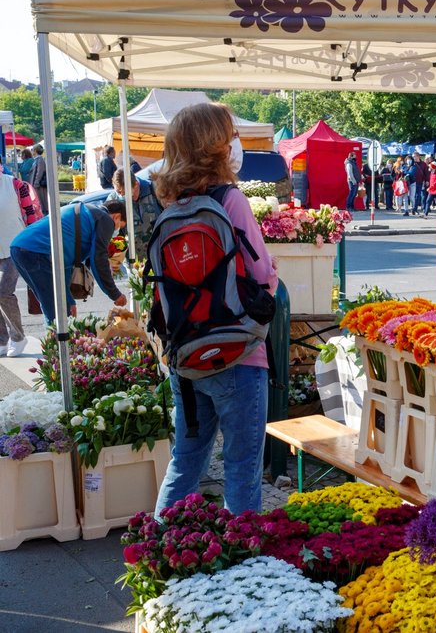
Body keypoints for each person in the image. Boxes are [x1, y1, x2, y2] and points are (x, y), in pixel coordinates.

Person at [152, 102, 278, 515]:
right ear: (216, 145)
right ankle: (242, 567)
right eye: (230, 135)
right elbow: (262, 279)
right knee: (242, 467)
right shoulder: (231, 200)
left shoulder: (172, 206)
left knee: (187, 460)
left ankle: (156, 551)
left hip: (186, 354)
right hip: (238, 353)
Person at [10, 200, 128, 323]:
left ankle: (56, 338)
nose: (116, 231)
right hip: (36, 251)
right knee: (57, 310)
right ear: (117, 216)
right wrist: (114, 294)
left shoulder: (85, 211)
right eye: (120, 226)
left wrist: (69, 300)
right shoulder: (105, 220)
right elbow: (98, 259)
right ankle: (58, 340)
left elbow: (65, 264)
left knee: (55, 307)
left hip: (20, 247)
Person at [108, 168, 163, 260]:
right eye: (119, 192)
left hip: (158, 256)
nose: (122, 196)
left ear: (136, 185)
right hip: (134, 262)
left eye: (125, 193)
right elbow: (110, 233)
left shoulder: (154, 190)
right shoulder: (114, 200)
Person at [0, 174, 27, 357]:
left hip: (15, 245)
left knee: (3, 291)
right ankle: (2, 340)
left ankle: (18, 337)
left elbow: (32, 212)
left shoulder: (15, 184)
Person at [28, 144, 48, 215]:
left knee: (42, 200)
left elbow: (40, 172)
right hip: (36, 184)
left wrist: (36, 182)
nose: (31, 151)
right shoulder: (37, 159)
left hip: (39, 184)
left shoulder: (39, 159)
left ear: (35, 151)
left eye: (32, 149)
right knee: (40, 200)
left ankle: (44, 214)